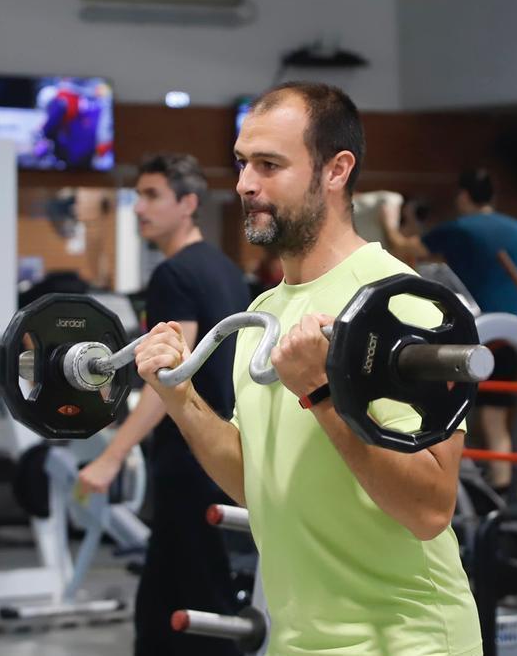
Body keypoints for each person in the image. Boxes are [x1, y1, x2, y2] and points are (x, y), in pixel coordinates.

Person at [133, 82, 481, 655]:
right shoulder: (261, 313)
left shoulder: (399, 302)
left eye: (270, 165)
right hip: (300, 643)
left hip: (407, 642)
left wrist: (321, 391)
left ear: (336, 170)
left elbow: (428, 508)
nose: (246, 184)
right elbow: (256, 483)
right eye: (244, 163)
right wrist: (179, 395)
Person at [76, 153, 250, 656]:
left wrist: (112, 457)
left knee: (187, 603)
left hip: (190, 457)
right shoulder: (224, 268)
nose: (138, 208)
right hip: (219, 450)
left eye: (152, 196)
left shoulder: (173, 275)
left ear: (189, 203)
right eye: (137, 196)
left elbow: (169, 378)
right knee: (173, 596)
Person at [381, 169, 517, 492]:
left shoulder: (458, 229)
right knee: (496, 419)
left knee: (454, 415)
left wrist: (388, 218)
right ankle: (500, 488)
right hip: (513, 335)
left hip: (467, 336)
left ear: (464, 196)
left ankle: (459, 492)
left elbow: (405, 248)